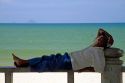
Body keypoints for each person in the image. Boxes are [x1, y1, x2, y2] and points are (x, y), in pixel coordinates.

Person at [12, 28, 114, 72]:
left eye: (101, 39)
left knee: (48, 62)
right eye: (99, 37)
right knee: (47, 58)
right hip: (68, 58)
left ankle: (23, 62)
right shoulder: (94, 46)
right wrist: (107, 37)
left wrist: (86, 69)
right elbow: (100, 30)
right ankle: (25, 62)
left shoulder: (98, 53)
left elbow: (100, 69)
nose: (99, 38)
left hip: (70, 63)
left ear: (103, 44)